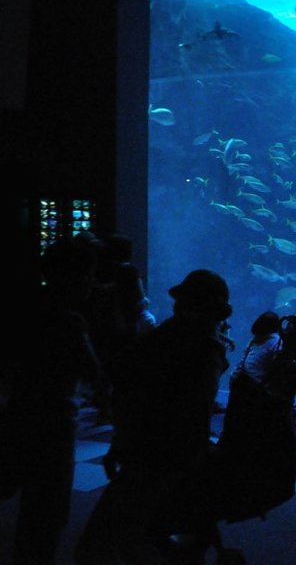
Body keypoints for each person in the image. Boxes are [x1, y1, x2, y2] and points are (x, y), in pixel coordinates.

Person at [76, 269, 236, 564]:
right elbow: (194, 413)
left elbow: (119, 374)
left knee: (107, 542)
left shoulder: (174, 339)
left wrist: (123, 440)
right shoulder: (203, 347)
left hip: (154, 456)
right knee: (149, 536)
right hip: (170, 456)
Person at [1, 239, 101, 565]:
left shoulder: (24, 309)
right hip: (53, 426)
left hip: (17, 414)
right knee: (46, 515)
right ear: (70, 276)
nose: (92, 282)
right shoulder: (70, 321)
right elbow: (96, 375)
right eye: (87, 274)